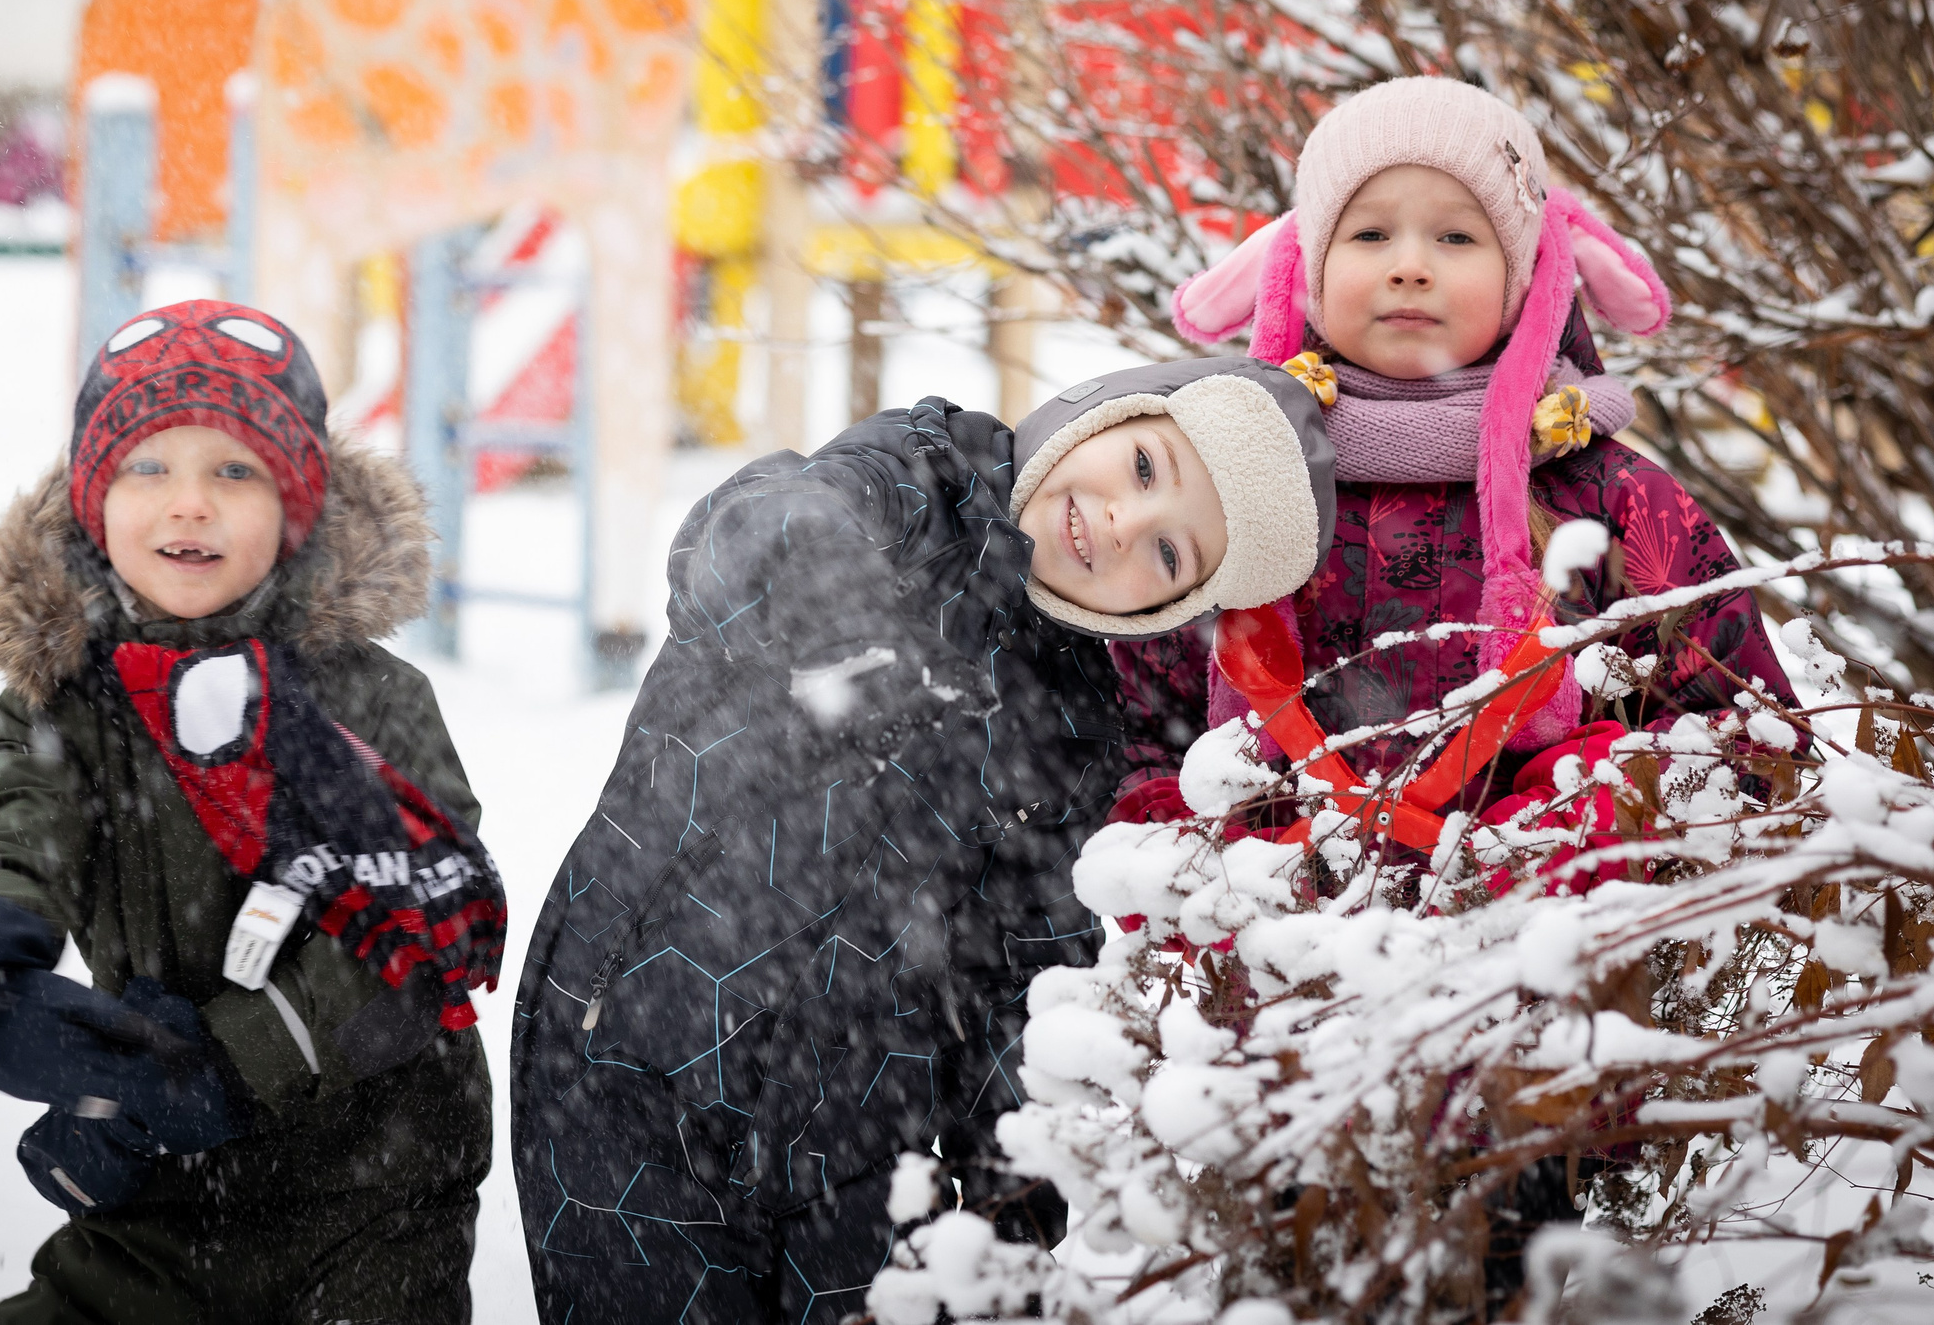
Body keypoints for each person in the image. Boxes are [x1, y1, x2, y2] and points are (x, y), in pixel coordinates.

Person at [512, 358, 1337, 1322]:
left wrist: (1013, 1203)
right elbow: (751, 522)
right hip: (631, 1049)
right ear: (1105, 414)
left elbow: (1018, 977)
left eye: (1169, 555)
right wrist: (840, 616)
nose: (1121, 524)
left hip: (855, 1136)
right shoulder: (915, 481)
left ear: (1169, 608)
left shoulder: (1072, 727)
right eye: (1146, 469)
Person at [1154, 76, 1802, 1285]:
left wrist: (1608, 806)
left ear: (1532, 278)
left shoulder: (1607, 494)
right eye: (1369, 233)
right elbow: (1144, 709)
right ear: (1297, 264)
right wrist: (1172, 879)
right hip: (1287, 978)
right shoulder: (1231, 488)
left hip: (1533, 985)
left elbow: (1746, 729)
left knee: (1512, 1257)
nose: (1408, 267)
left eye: (1455, 237)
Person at [0, 300, 507, 1323]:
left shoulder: (368, 700)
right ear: (94, 502)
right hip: (158, 1196)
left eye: (235, 471)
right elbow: (17, 809)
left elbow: (421, 933)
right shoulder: (70, 698)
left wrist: (229, 1061)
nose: (189, 505)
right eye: (148, 468)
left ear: (297, 506)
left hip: (371, 1189)